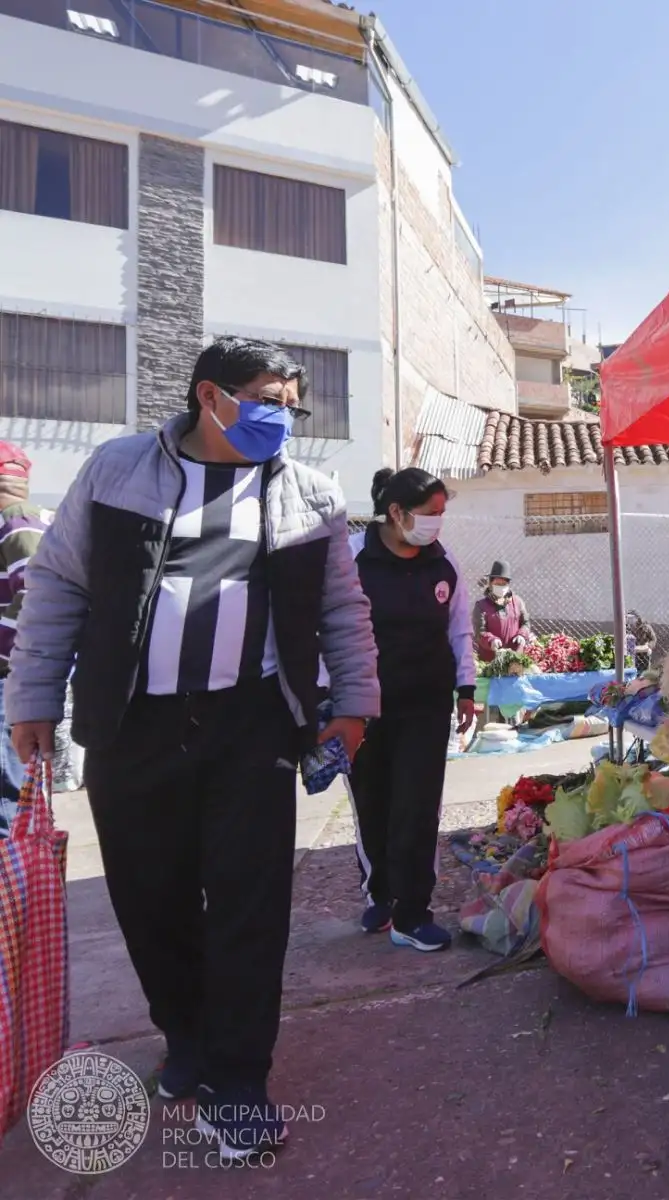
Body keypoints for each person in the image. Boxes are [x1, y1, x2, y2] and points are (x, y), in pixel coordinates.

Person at [5, 337, 378, 1158]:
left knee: (250, 906)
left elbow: (342, 610)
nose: (283, 418)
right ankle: (188, 1037)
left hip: (252, 727)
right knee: (150, 899)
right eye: (268, 400)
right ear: (212, 396)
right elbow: (59, 586)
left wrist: (353, 703)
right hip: (133, 726)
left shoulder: (310, 494)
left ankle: (240, 1081)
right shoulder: (117, 471)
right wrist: (32, 697)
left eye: (291, 404)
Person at [347, 467, 478, 951]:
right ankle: (380, 895)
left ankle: (413, 912)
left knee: (418, 806)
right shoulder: (350, 559)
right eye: (430, 514)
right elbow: (326, 630)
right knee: (372, 802)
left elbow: (459, 629)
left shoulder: (445, 565)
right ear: (397, 513)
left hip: (425, 702)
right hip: (362, 705)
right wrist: (327, 698)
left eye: (443, 513)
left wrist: (466, 688)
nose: (437, 524)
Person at [0, 440, 47, 836]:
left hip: (6, 684)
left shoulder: (18, 521)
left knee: (7, 801)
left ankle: (9, 893)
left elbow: (37, 598)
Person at [474, 560, 533, 662]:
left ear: (508, 584)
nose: (500, 586)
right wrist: (491, 640)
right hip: (491, 660)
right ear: (491, 583)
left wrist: (522, 635)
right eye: (497, 583)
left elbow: (525, 623)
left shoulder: (518, 602)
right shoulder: (481, 606)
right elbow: (480, 632)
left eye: (503, 583)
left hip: (515, 659)